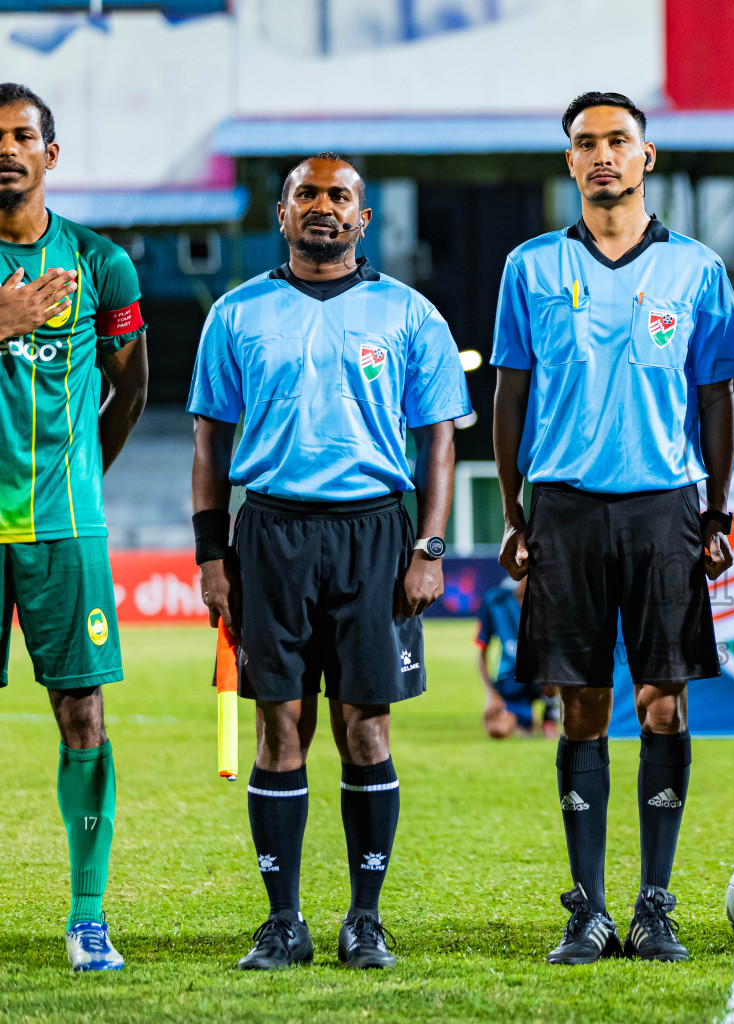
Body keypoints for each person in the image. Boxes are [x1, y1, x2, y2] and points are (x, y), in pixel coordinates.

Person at [189, 153, 470, 971]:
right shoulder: (236, 314)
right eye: (305, 194)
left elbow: (440, 439)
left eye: (338, 195)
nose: (322, 207)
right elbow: (210, 440)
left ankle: (364, 919)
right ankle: (283, 922)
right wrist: (213, 553)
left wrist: (429, 546)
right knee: (282, 725)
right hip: (270, 535)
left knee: (366, 726)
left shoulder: (409, 314)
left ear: (363, 217)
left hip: (377, 536)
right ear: (281, 214)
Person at [491, 92, 734, 965]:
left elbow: (717, 394)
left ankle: (655, 904)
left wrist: (714, 510)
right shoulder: (527, 267)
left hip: (663, 505)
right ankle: (589, 909)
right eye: (586, 143)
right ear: (570, 161)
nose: (603, 156)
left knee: (664, 699)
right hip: (563, 506)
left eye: (618, 142)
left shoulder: (697, 269)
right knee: (581, 706)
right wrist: (516, 513)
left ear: (647, 156)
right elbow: (510, 395)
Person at [0, 83, 148, 972]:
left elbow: (130, 387)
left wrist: (82, 476)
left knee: (81, 714)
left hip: (62, 528)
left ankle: (87, 915)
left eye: (23, 135)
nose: (6, 148)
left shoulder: (101, 264)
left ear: (52, 154)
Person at [476, 578, 559, 737]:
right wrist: (491, 694)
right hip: (510, 681)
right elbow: (481, 652)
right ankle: (521, 717)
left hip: (543, 680)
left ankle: (550, 713)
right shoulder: (495, 601)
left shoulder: (551, 600)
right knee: (499, 730)